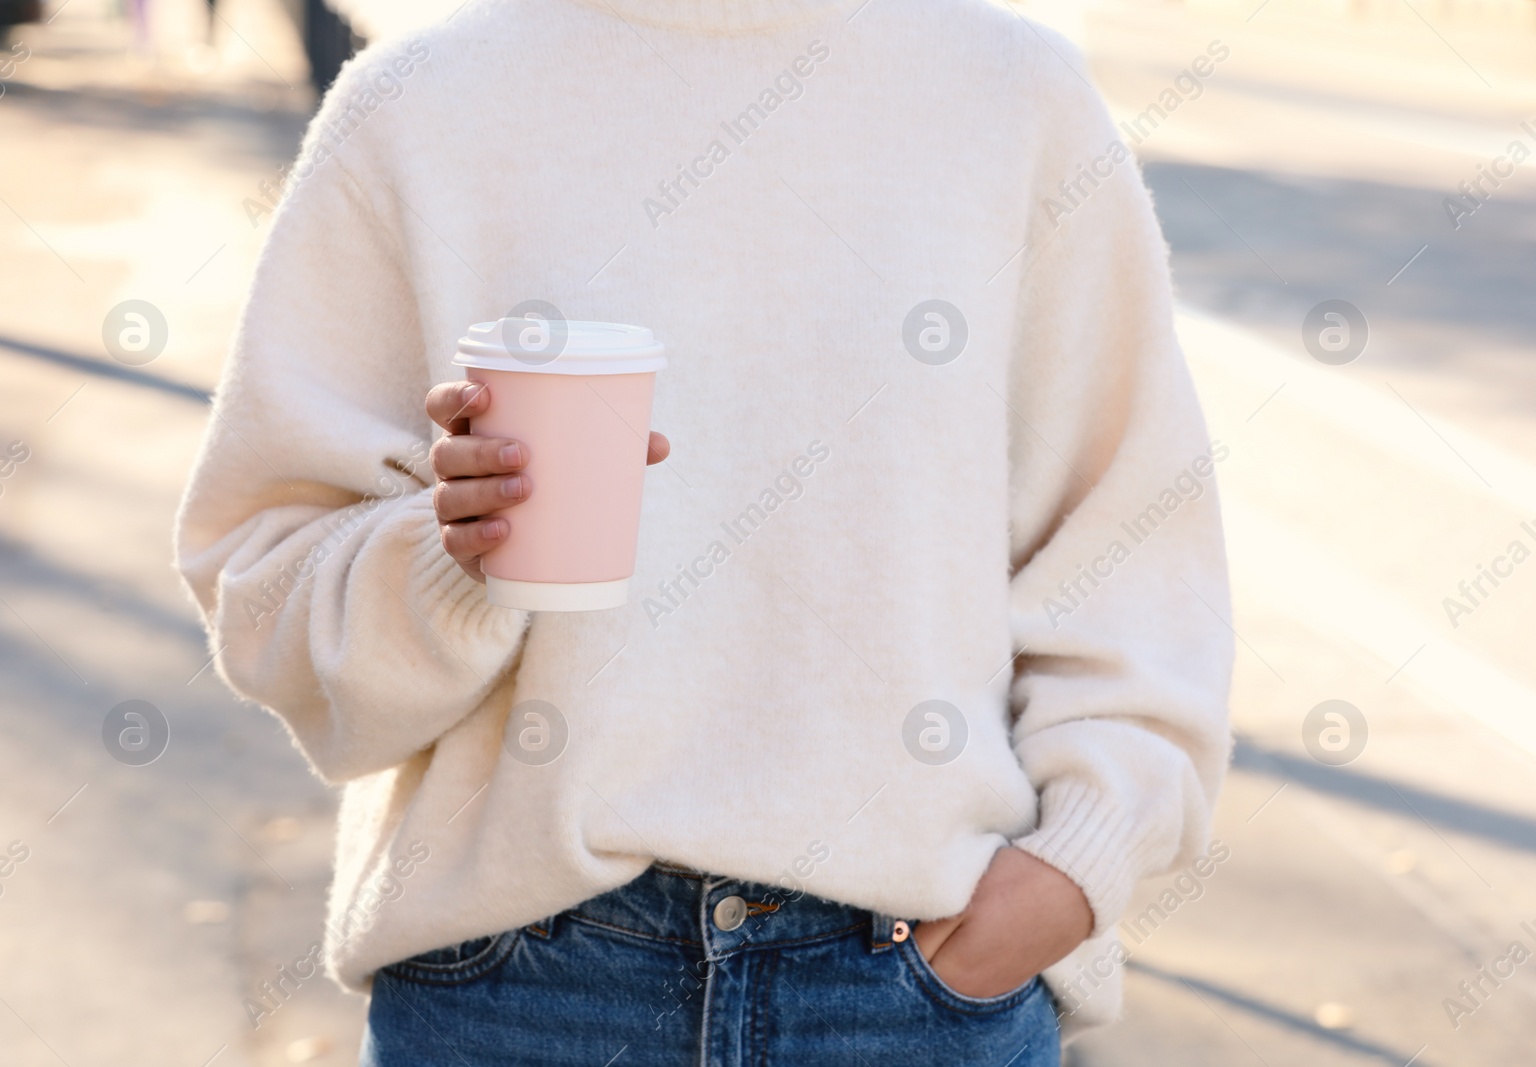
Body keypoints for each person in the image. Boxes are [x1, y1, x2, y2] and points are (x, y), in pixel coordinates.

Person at [176, 0, 1234, 1063]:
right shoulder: (417, 102)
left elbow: (1133, 549)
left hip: (915, 995)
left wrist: (1075, 862)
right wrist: (448, 558)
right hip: (515, 998)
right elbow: (262, 581)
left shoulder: (1016, 93)